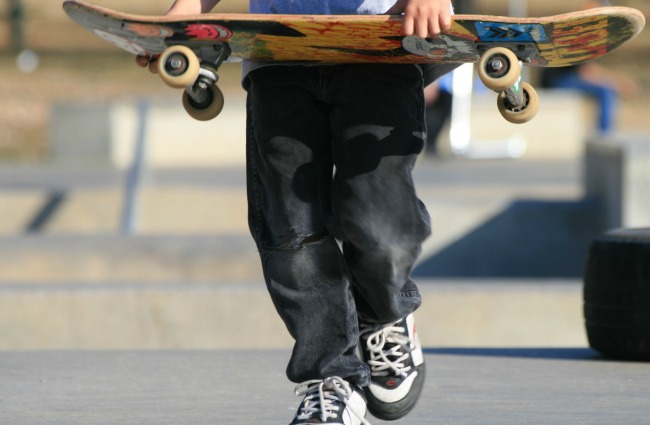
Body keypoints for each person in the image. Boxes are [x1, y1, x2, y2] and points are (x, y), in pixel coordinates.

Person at [138, 1, 455, 423]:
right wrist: (186, 14)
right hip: (278, 51)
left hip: (379, 42)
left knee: (380, 220)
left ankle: (383, 313)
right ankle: (330, 379)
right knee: (292, 230)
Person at [540, 0, 639, 134]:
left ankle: (603, 134)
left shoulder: (583, 33)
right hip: (556, 80)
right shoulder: (579, 33)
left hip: (563, 77)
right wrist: (617, 85)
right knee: (605, 90)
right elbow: (586, 74)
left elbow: (589, 69)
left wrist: (618, 81)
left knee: (606, 87)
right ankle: (604, 136)